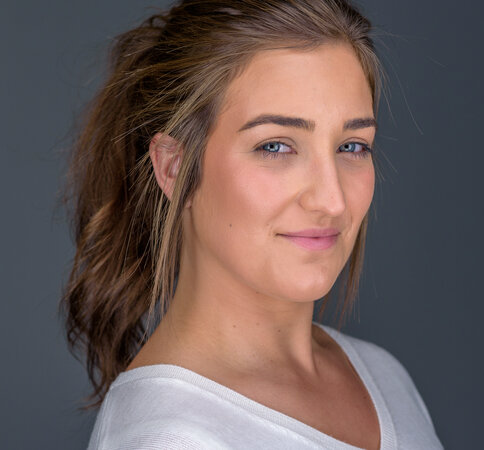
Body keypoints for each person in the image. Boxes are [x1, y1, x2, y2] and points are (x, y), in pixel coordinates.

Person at [62, 0, 443, 448]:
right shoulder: (168, 439)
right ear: (173, 167)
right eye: (275, 147)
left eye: (352, 146)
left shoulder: (383, 377)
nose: (333, 200)